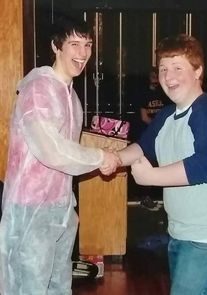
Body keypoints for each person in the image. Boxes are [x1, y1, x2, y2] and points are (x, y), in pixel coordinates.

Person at [101, 34, 207, 295]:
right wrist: (116, 158)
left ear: (198, 71)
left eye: (177, 67)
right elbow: (143, 146)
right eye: (163, 69)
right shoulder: (167, 115)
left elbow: (206, 166)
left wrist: (151, 177)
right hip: (181, 234)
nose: (168, 76)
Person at [0, 17, 120, 295]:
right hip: (30, 209)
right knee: (28, 286)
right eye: (74, 44)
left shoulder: (70, 96)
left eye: (87, 45)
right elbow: (51, 149)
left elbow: (67, 153)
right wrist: (100, 157)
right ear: (56, 47)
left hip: (60, 206)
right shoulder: (39, 89)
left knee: (58, 284)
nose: (83, 53)